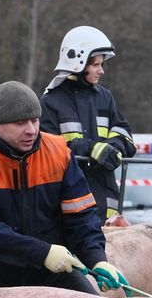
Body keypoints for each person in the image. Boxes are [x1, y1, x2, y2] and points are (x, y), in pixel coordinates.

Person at [0, 80, 128, 295]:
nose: (31, 130)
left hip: (52, 270)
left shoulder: (60, 152)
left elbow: (81, 216)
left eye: (35, 121)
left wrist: (97, 259)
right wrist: (42, 252)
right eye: (20, 123)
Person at [41, 26, 135, 219]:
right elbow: (45, 150)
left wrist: (110, 148)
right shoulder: (50, 102)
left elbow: (125, 134)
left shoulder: (105, 98)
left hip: (105, 204)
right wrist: (88, 149)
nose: (101, 71)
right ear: (78, 63)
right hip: (66, 205)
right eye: (95, 65)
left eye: (101, 64)